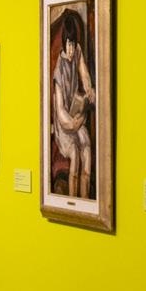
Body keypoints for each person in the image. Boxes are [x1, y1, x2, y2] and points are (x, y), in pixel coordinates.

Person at [51, 10, 95, 199]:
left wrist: (89, 89)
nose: (71, 50)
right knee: (75, 154)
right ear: (64, 43)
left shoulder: (77, 51)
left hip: (76, 115)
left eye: (73, 44)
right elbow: (60, 110)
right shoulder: (59, 71)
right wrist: (72, 124)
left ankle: (85, 200)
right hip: (64, 125)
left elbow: (84, 73)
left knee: (87, 148)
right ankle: (73, 200)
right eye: (68, 45)